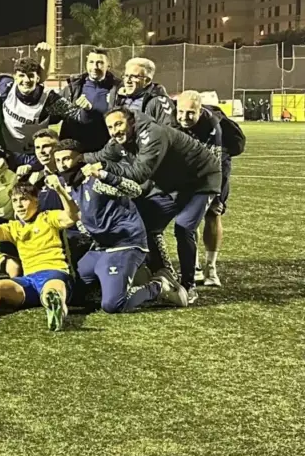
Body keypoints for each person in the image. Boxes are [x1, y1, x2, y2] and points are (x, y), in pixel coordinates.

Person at [85, 107, 221, 296]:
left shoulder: (153, 133)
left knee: (183, 228)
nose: (115, 130)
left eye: (118, 124)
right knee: (144, 222)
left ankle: (189, 285)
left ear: (131, 122)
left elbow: (139, 175)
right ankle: (163, 272)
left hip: (200, 181)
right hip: (172, 184)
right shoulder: (118, 141)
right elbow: (98, 156)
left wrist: (106, 169)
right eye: (110, 127)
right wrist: (70, 157)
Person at [52, 139, 188, 311]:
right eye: (58, 160)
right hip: (100, 248)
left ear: (80, 159)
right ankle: (128, 278)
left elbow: (135, 190)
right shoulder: (72, 185)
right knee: (73, 295)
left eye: (66, 159)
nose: (62, 165)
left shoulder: (96, 181)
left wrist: (104, 175)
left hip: (125, 245)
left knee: (113, 304)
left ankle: (159, 286)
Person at [0, 181, 76, 331]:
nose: (19, 205)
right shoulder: (14, 227)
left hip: (55, 272)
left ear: (36, 200)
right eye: (15, 201)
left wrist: (60, 190)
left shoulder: (47, 218)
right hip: (29, 281)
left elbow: (72, 216)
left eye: (24, 199)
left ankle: (57, 307)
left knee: (52, 289)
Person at [174, 91, 230, 288]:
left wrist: (216, 194)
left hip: (216, 168)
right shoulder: (172, 121)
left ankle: (211, 268)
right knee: (190, 217)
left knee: (213, 213)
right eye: (180, 111)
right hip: (189, 171)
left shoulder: (212, 125)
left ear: (200, 110)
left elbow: (215, 163)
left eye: (190, 113)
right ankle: (195, 266)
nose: (184, 117)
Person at [0, 56, 86, 153]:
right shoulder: (5, 85)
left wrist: (87, 108)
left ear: (38, 78)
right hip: (8, 153)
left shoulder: (49, 99)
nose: (26, 80)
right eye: (22, 75)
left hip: (36, 155)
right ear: (15, 77)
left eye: (31, 75)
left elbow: (78, 116)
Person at [60, 47, 118, 152]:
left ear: (108, 65)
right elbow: (55, 112)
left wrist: (89, 110)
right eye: (91, 62)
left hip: (102, 150)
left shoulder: (117, 89)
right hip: (73, 150)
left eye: (99, 63)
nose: (94, 67)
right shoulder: (73, 87)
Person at [107, 57, 176, 126]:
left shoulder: (160, 101)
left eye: (134, 77)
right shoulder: (118, 96)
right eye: (126, 76)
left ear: (147, 80)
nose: (128, 81)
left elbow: (171, 131)